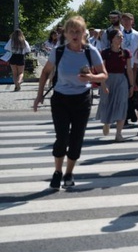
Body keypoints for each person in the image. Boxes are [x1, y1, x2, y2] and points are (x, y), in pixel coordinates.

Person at [33, 16, 108, 189]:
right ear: (65, 33)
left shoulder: (91, 51)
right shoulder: (58, 51)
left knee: (76, 139)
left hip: (82, 99)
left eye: (78, 31)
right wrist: (39, 96)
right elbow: (45, 73)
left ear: (84, 33)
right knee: (62, 138)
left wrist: (92, 77)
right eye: (71, 31)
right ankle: (58, 171)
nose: (75, 34)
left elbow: (104, 74)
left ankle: (69, 173)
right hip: (60, 99)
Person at [97, 29, 135, 141]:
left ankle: (118, 133)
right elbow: (101, 69)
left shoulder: (126, 52)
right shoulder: (105, 52)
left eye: (122, 36)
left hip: (121, 80)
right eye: (118, 36)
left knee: (122, 104)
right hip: (108, 79)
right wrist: (103, 83)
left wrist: (132, 85)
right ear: (112, 38)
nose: (121, 38)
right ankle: (107, 123)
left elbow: (129, 70)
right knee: (107, 102)